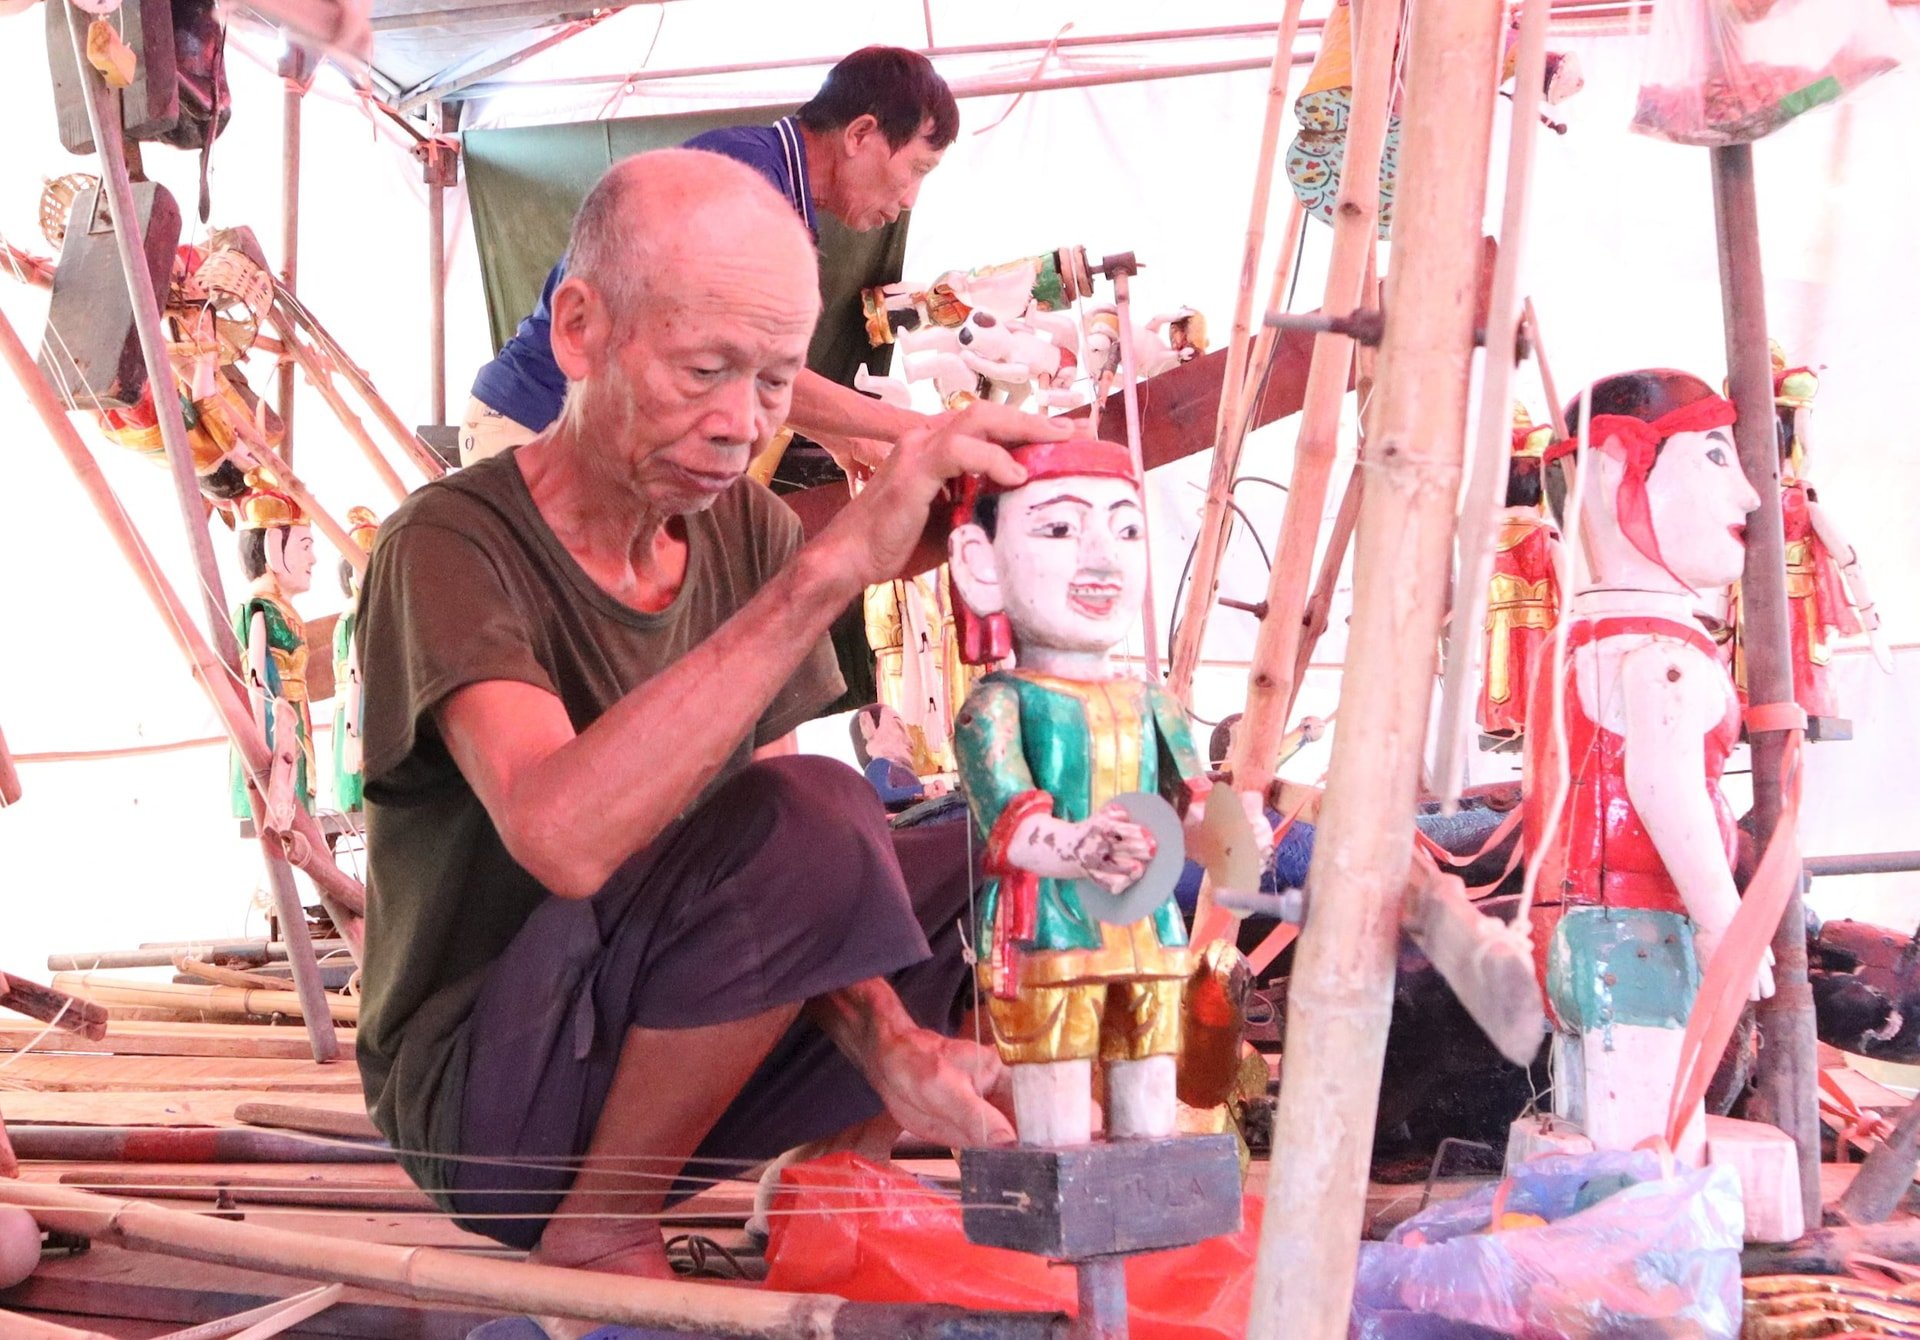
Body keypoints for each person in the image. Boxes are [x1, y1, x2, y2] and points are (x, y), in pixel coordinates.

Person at [356, 148, 1074, 1291]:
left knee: (1000, 848)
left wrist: (891, 1037)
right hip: (492, 1101)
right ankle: (600, 1223)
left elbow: (787, 856)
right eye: (706, 370)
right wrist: (831, 571)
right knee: (828, 812)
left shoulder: (743, 530)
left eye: (778, 382)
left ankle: (829, 1173)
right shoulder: (447, 546)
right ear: (579, 330)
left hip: (642, 1034)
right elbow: (565, 832)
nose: (744, 424)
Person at [460, 45, 958, 470]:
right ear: (859, 134)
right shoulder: (743, 177)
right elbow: (746, 366)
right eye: (917, 168)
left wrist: (843, 437)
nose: (911, 198)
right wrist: (919, 429)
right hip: (538, 432)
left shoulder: (771, 178)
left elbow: (744, 369)